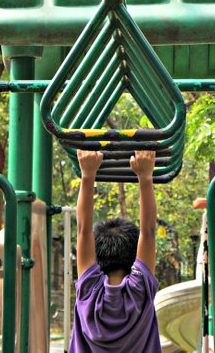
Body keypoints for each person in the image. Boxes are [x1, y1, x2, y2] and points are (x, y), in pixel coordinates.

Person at [69, 150, 161, 352]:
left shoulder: (89, 290)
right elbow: (148, 232)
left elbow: (84, 231)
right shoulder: (139, 290)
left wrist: (87, 175)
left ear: (98, 255)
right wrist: (145, 177)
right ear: (132, 255)